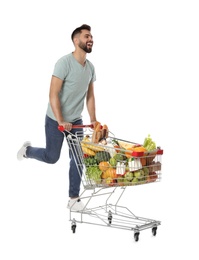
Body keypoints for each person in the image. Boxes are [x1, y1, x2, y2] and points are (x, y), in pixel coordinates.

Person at [17, 24, 97, 211]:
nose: (90, 39)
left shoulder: (90, 68)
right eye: (86, 36)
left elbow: (90, 96)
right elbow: (53, 94)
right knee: (52, 157)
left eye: (91, 36)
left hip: (76, 122)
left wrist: (93, 119)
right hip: (55, 119)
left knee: (78, 157)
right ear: (76, 41)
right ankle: (27, 151)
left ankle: (73, 199)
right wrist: (61, 121)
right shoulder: (64, 63)